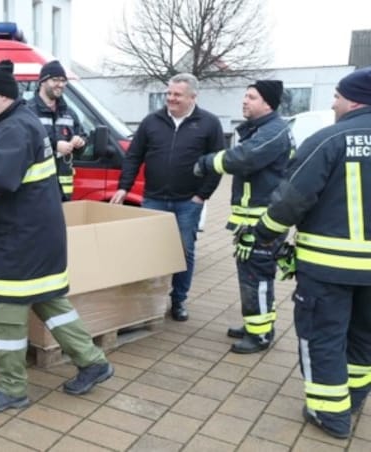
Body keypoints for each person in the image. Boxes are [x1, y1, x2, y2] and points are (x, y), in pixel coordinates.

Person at [0, 60, 112, 414]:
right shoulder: (18, 123)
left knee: (6, 314)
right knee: (51, 302)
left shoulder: (14, 129)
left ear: (1, 96)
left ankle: (13, 388)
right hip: (35, 238)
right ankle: (92, 361)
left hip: (17, 242)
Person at [249, 67, 371, 439]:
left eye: (336, 96)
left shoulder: (329, 139)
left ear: (353, 99)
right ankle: (352, 397)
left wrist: (265, 233)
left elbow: (292, 199)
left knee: (323, 335)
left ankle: (329, 413)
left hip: (328, 267)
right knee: (364, 335)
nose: (332, 103)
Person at [111, 73, 224, 322]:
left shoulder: (209, 123)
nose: (170, 99)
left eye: (177, 95)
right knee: (151, 252)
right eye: (169, 93)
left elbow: (217, 163)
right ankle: (149, 303)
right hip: (153, 199)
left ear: (193, 97)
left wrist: (201, 195)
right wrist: (124, 187)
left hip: (188, 202)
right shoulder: (151, 121)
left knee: (184, 252)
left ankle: (178, 300)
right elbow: (134, 156)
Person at [194, 80, 294, 353]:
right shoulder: (264, 129)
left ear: (268, 104)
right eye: (245, 96)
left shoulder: (273, 131)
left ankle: (259, 335)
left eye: (251, 97)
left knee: (256, 277)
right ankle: (257, 324)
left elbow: (244, 158)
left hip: (262, 222)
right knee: (253, 275)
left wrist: (205, 162)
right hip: (253, 219)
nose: (244, 101)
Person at [26, 60, 86, 201]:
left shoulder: (69, 113)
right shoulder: (27, 111)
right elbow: (23, 144)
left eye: (63, 80)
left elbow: (82, 137)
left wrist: (80, 142)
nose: (60, 84)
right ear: (42, 81)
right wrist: (54, 146)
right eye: (55, 80)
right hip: (35, 192)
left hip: (63, 194)